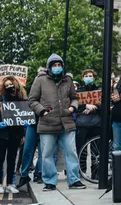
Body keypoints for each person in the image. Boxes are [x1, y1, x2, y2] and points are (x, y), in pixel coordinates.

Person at [28, 54, 86, 191]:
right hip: (47, 123)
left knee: (71, 152)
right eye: (54, 65)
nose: (57, 68)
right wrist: (42, 111)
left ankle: (74, 180)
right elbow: (32, 100)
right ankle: (49, 182)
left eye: (59, 65)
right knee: (47, 154)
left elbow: (74, 98)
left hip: (67, 123)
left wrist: (73, 107)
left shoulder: (68, 80)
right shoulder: (40, 80)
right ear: (49, 67)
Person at [0, 76, 27, 193]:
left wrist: (23, 131)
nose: (9, 87)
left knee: (12, 159)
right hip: (2, 133)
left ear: (16, 84)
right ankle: (1, 184)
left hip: (15, 134)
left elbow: (24, 115)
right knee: (0, 159)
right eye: (6, 86)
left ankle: (10, 183)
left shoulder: (21, 100)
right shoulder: (1, 99)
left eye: (11, 84)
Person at [75, 69, 101, 177]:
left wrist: (94, 107)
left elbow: (103, 104)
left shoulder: (99, 90)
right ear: (82, 78)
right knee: (81, 149)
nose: (88, 78)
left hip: (96, 123)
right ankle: (82, 171)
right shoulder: (78, 91)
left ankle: (95, 173)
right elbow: (74, 104)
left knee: (96, 150)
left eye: (90, 76)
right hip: (82, 124)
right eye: (86, 76)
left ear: (94, 78)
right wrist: (85, 106)